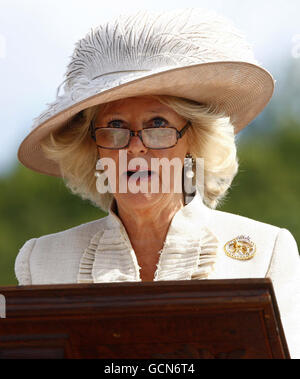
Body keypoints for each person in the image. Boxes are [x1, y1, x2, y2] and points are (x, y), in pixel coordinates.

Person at [15, 8, 300, 357]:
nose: (136, 146)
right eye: (116, 126)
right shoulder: (41, 262)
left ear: (193, 140)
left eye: (157, 124)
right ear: (93, 148)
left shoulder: (266, 251)